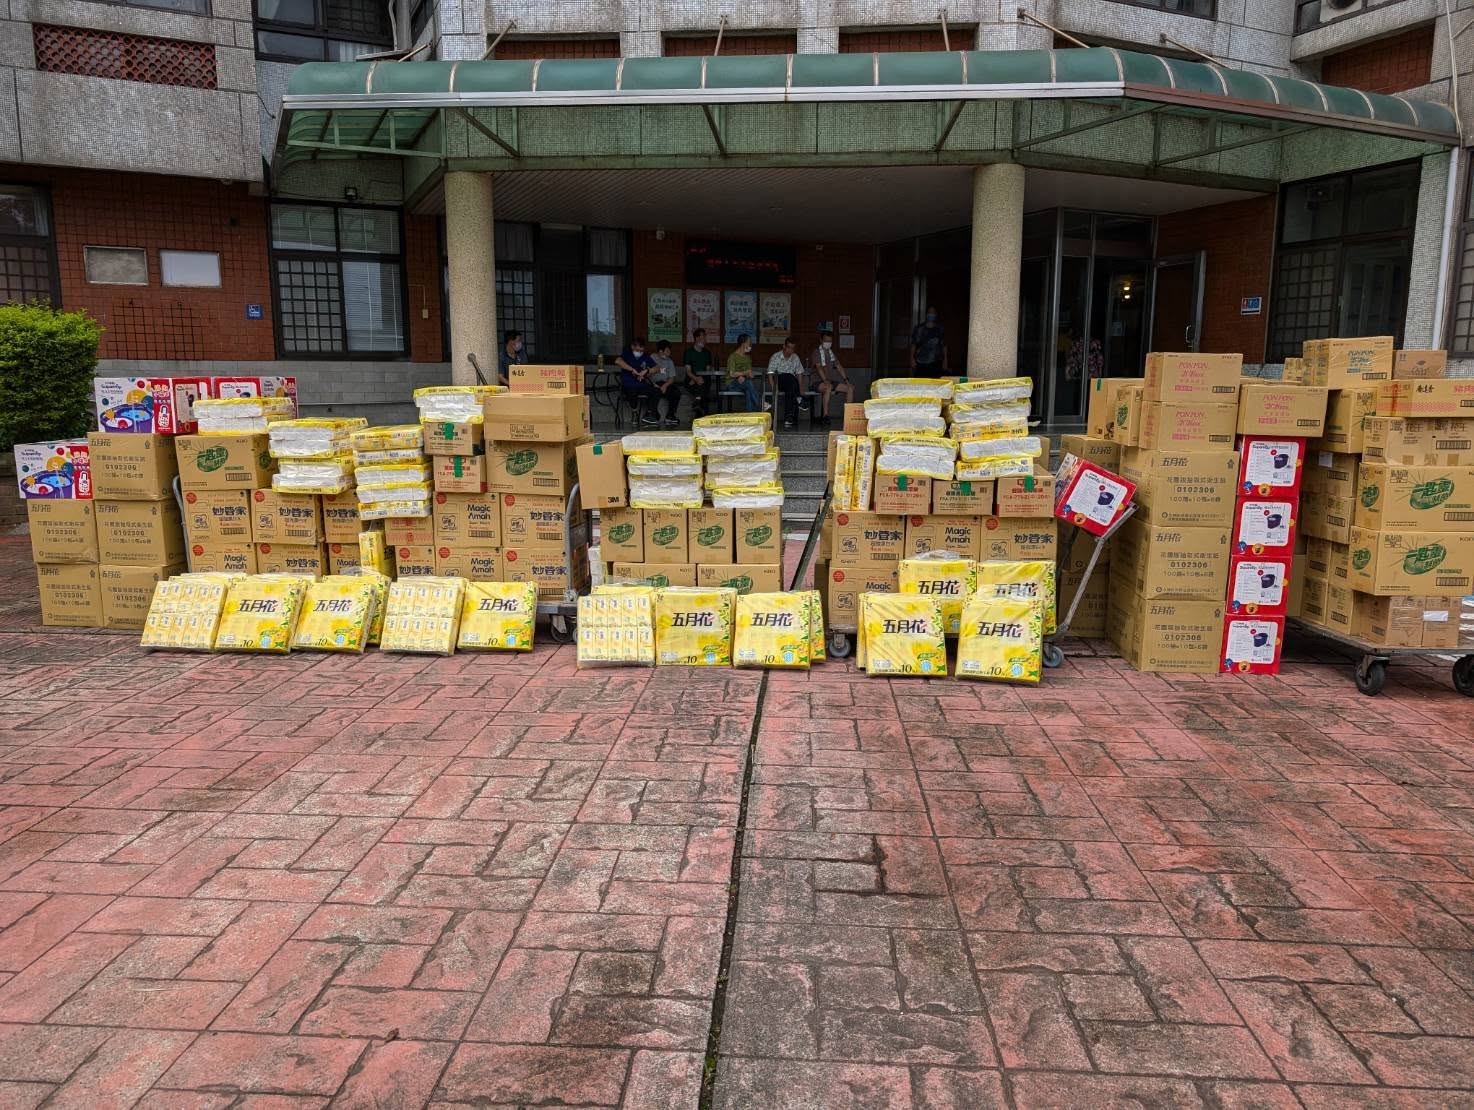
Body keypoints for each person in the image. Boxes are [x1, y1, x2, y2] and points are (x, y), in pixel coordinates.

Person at [617, 336, 662, 426]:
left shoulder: (645, 356)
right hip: (629, 385)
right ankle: (634, 411)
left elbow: (657, 368)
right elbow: (618, 361)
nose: (640, 351)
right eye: (638, 349)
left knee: (656, 391)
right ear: (632, 346)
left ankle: (649, 414)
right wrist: (631, 369)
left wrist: (647, 370)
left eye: (642, 349)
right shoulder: (627, 354)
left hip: (642, 385)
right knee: (631, 390)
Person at [810, 330, 852, 425]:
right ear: (821, 340)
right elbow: (819, 368)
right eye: (826, 341)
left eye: (830, 341)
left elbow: (839, 367)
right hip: (817, 382)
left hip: (830, 381)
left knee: (850, 388)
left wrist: (846, 380)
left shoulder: (831, 353)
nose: (828, 343)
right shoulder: (817, 352)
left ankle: (848, 416)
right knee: (828, 387)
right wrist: (825, 380)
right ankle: (825, 416)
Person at [767, 336, 807, 429]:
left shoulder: (795, 357)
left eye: (792, 348)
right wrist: (774, 388)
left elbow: (799, 373)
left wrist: (801, 388)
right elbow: (770, 373)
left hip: (791, 383)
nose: (790, 350)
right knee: (790, 377)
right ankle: (799, 399)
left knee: (791, 388)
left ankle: (790, 418)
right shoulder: (776, 356)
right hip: (779, 380)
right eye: (789, 347)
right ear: (784, 346)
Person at [649, 340, 684, 427]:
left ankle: (670, 416)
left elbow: (672, 378)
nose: (669, 353)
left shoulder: (669, 361)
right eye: (667, 351)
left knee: (676, 393)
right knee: (654, 392)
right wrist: (653, 384)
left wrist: (665, 385)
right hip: (653, 383)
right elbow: (647, 374)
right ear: (661, 351)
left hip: (665, 383)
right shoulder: (652, 357)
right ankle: (653, 415)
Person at [682, 328, 715, 419]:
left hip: (704, 379)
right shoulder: (689, 352)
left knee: (702, 384)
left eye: (705, 337)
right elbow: (688, 371)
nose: (705, 339)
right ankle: (701, 409)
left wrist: (698, 379)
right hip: (691, 380)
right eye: (703, 337)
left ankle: (697, 402)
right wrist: (695, 379)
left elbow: (707, 370)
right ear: (697, 338)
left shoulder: (707, 353)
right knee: (701, 388)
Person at [726, 334, 761, 413]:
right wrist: (742, 374)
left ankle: (749, 415)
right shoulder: (733, 357)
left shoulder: (748, 358)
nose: (751, 345)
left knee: (748, 389)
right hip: (732, 384)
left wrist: (749, 375)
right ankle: (760, 404)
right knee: (748, 384)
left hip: (744, 383)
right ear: (743, 344)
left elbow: (748, 373)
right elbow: (732, 374)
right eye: (749, 343)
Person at [910, 306, 948, 378]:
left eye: (933, 313)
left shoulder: (940, 329)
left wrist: (945, 361)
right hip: (921, 363)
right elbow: (913, 344)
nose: (931, 314)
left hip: (936, 363)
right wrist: (912, 359)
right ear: (926, 314)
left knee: (935, 383)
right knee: (920, 383)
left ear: (936, 315)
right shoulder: (919, 329)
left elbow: (944, 346)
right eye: (930, 312)